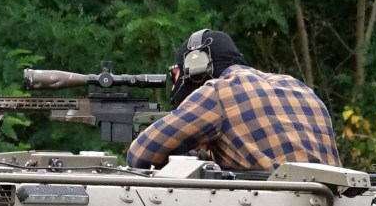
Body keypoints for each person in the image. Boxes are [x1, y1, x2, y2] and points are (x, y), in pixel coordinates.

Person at [127, 29, 341, 171]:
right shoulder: (298, 87)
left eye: (175, 75)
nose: (175, 87)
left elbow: (139, 156)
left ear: (197, 68)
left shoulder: (219, 91)